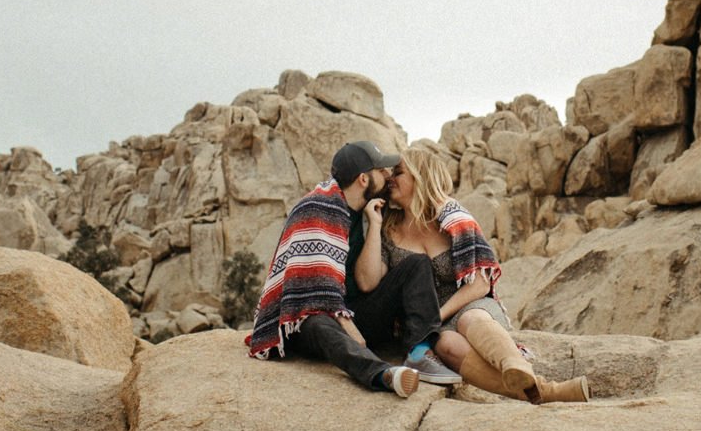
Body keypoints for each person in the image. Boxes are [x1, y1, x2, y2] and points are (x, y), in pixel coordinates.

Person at [245, 140, 460, 394]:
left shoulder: (368, 212)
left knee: (416, 265)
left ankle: (419, 352)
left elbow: (367, 284)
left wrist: (375, 224)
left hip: (354, 312)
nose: (388, 175)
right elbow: (310, 289)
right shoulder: (316, 207)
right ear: (363, 179)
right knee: (316, 322)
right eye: (381, 171)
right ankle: (383, 374)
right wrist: (348, 326)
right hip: (309, 317)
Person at [380, 144, 589, 403]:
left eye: (398, 173)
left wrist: (436, 316)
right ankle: (545, 391)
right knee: (447, 346)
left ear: (420, 177)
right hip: (431, 325)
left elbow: (479, 285)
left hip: (469, 303)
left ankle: (517, 367)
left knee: (472, 319)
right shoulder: (387, 230)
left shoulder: (453, 218)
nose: (390, 179)